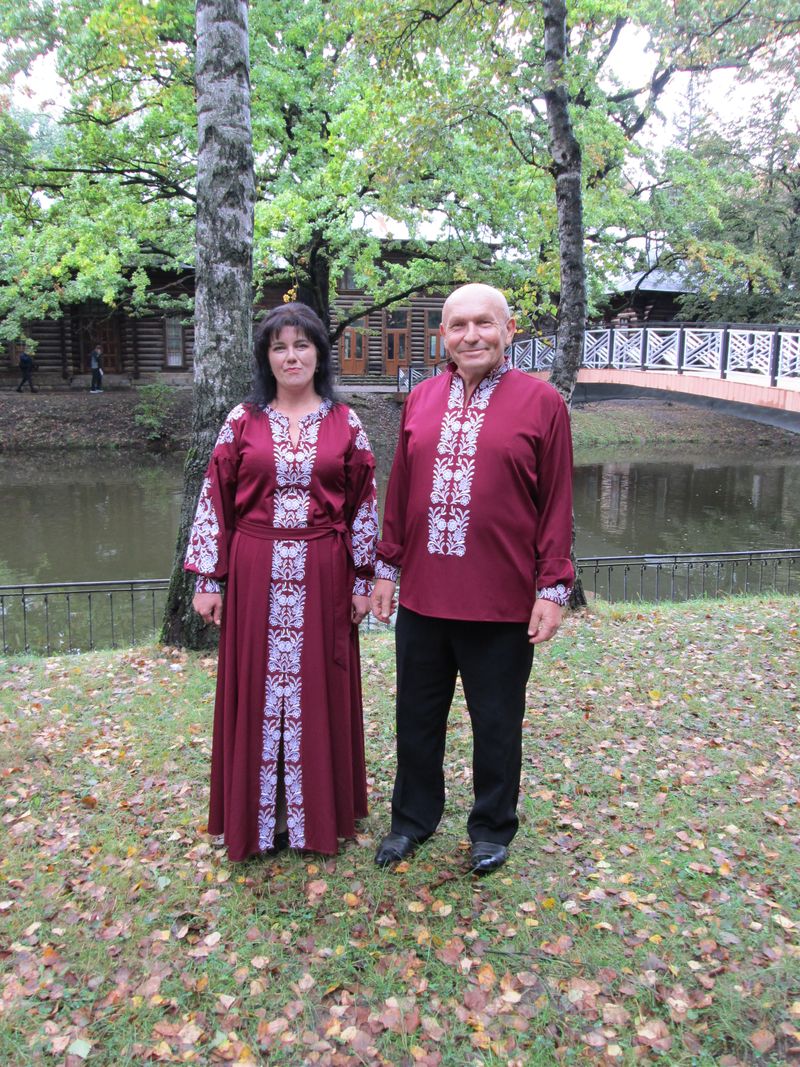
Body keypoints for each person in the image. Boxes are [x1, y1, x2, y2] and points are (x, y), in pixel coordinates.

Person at [371, 283, 574, 875]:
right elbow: (401, 492)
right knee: (416, 717)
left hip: (503, 601)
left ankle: (490, 828)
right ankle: (411, 821)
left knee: (497, 723)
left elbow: (556, 503)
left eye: (484, 323)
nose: (471, 335)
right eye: (457, 326)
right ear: (443, 337)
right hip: (425, 599)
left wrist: (551, 588)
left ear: (508, 330)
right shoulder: (420, 399)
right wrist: (387, 569)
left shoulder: (542, 404)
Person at [184, 303, 378, 861]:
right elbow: (213, 498)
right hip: (253, 568)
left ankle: (314, 817)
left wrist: (364, 577)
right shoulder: (242, 420)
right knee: (256, 689)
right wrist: (208, 576)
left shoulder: (347, 423)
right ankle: (257, 819)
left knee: (318, 686)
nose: (291, 357)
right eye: (278, 347)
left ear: (319, 354)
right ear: (266, 358)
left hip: (324, 571)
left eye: (301, 345)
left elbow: (363, 505)